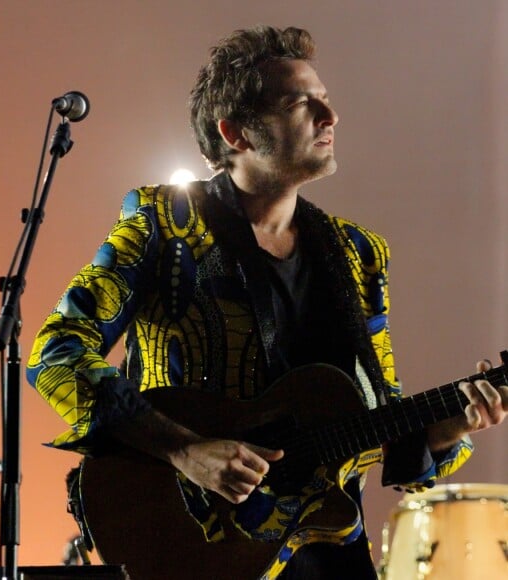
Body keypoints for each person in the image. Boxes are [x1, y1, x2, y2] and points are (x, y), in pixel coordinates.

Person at [26, 25, 508, 579]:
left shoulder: (359, 254)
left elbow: (376, 417)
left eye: (326, 101)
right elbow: (55, 353)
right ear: (235, 133)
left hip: (326, 553)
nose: (329, 118)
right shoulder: (163, 223)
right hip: (196, 540)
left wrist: (448, 429)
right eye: (301, 104)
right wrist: (186, 450)